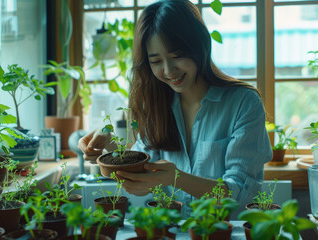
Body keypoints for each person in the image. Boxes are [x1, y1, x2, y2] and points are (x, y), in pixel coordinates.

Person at [78, 0, 272, 218]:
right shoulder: (155, 105)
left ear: (198, 45)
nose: (169, 70)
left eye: (176, 56)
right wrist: (110, 147)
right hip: (171, 231)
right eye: (156, 61)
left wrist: (176, 177)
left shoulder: (243, 103)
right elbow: (145, 173)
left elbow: (238, 194)